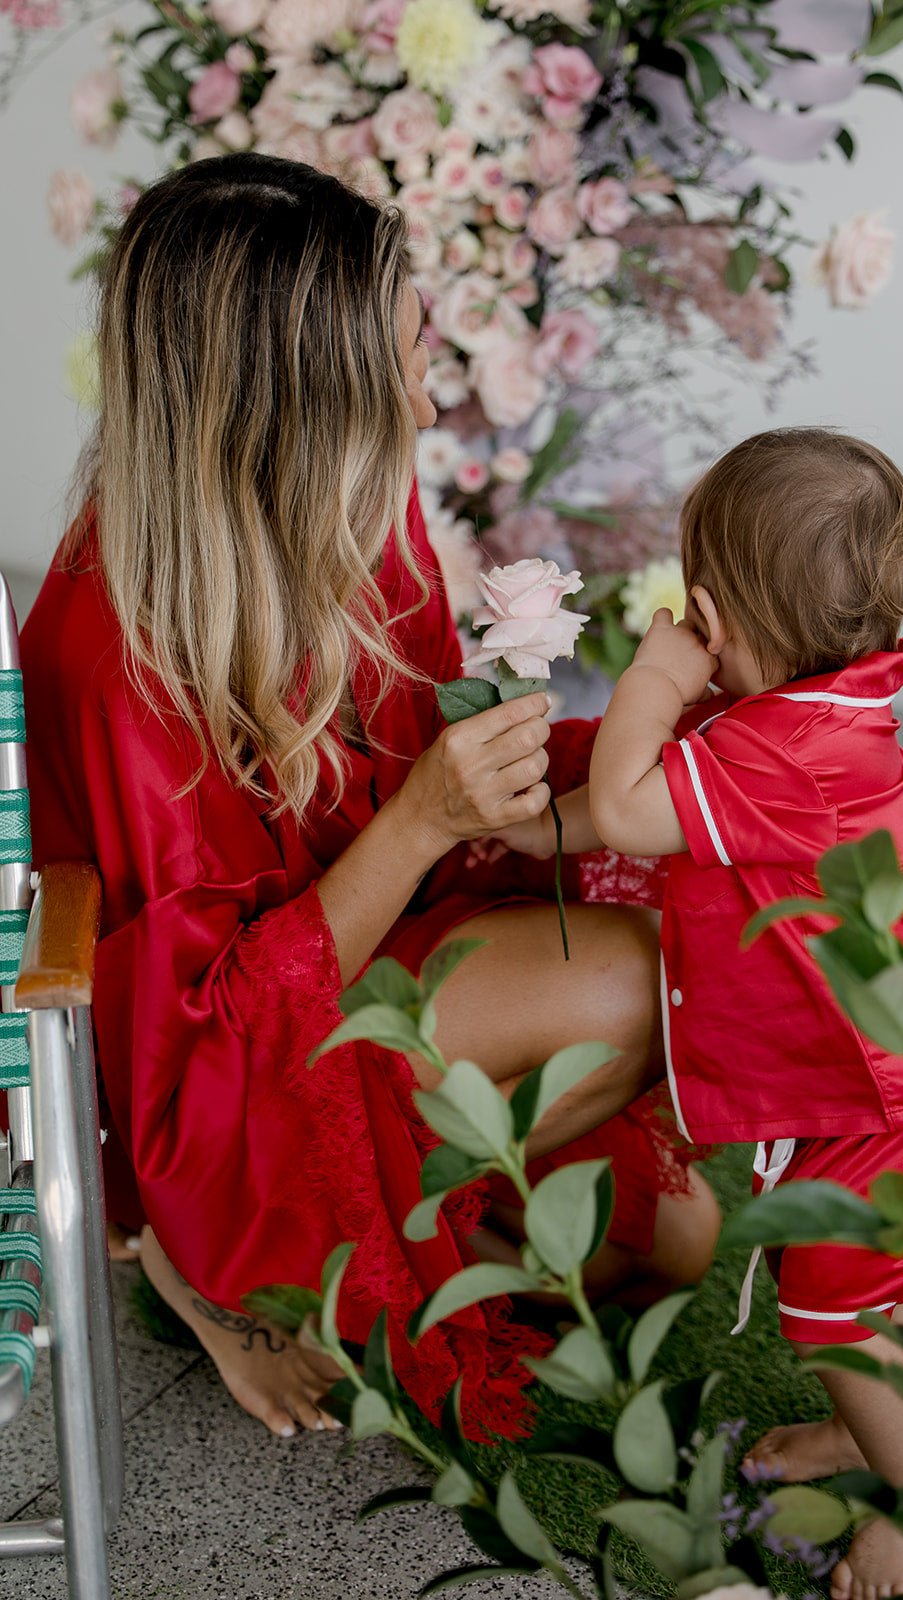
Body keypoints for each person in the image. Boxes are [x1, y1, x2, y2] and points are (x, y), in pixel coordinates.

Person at [20, 151, 719, 1444]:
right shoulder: (116, 652)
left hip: (362, 959)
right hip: (208, 1096)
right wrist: (422, 821)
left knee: (673, 1236)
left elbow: (436, 810)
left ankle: (410, 1215)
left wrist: (653, 739)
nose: (424, 387)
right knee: (619, 981)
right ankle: (200, 1277)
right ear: (298, 398)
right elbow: (194, 1041)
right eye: (400, 357)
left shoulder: (349, 506)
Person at [488, 429, 903, 1598]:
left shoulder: (784, 747)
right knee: (855, 1292)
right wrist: (541, 826)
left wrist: (652, 674)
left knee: (835, 1303)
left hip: (890, 1093)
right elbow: (643, 796)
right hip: (876, 1071)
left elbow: (636, 805)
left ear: (712, 610)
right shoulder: (803, 716)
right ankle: (861, 1430)